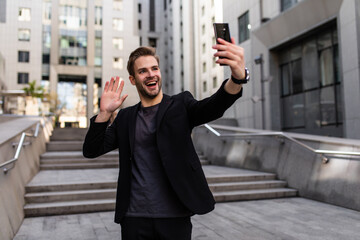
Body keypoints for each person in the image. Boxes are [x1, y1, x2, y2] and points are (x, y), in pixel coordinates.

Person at [83, 37, 247, 239]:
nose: (151, 74)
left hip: (174, 216)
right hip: (134, 217)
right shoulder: (125, 117)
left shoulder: (180, 104)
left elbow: (215, 105)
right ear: (133, 79)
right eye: (143, 71)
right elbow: (91, 150)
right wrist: (104, 114)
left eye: (154, 68)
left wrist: (237, 79)